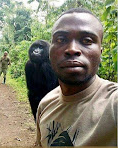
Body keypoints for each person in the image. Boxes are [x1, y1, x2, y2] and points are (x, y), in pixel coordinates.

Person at [36, 8, 117, 146]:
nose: (72, 49)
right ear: (50, 52)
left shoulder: (113, 103)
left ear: (100, 53)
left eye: (87, 40)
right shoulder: (45, 105)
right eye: (61, 39)